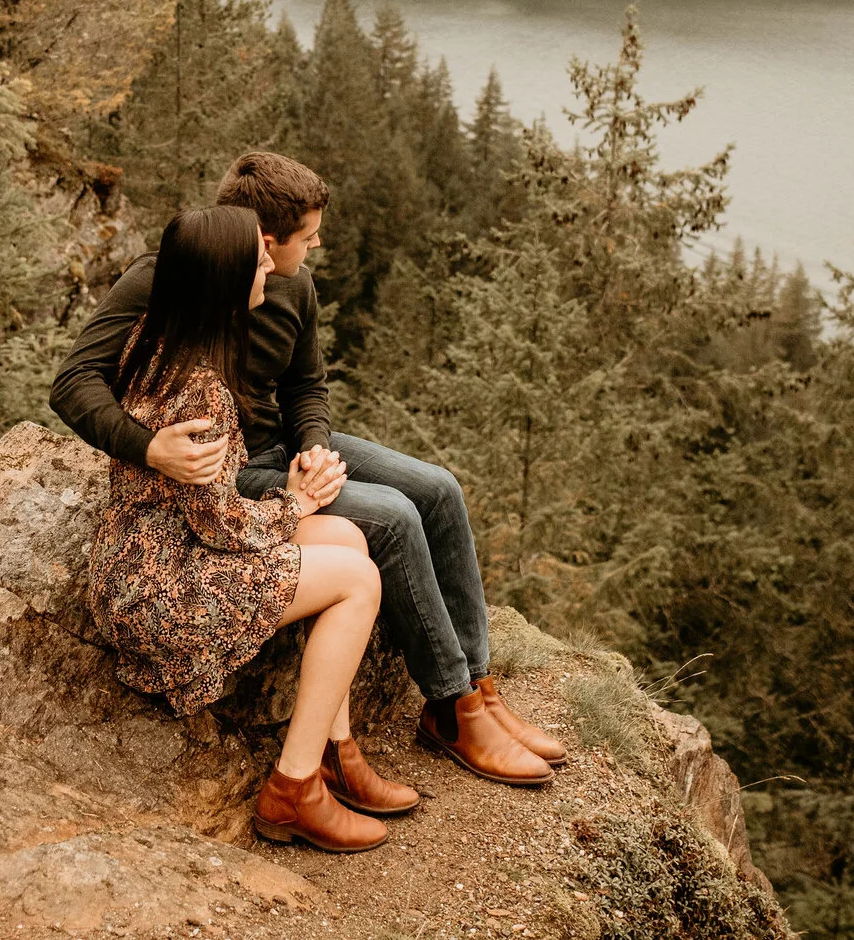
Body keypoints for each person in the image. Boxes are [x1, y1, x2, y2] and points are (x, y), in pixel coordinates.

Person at [55, 152, 564, 791]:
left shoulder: (293, 286)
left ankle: (476, 690)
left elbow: (306, 385)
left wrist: (316, 447)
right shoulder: (171, 278)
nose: (317, 244)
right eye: (308, 236)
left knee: (437, 489)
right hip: (228, 470)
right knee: (393, 519)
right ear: (265, 245)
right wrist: (150, 447)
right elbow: (74, 382)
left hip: (282, 446)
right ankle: (448, 701)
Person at [86, 205, 415, 852]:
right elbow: (222, 527)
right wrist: (294, 501)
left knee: (348, 539)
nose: (271, 263)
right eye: (257, 258)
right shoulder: (200, 386)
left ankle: (330, 748)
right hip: (161, 587)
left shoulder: (154, 341)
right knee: (358, 579)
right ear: (227, 277)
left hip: (142, 559)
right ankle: (293, 790)